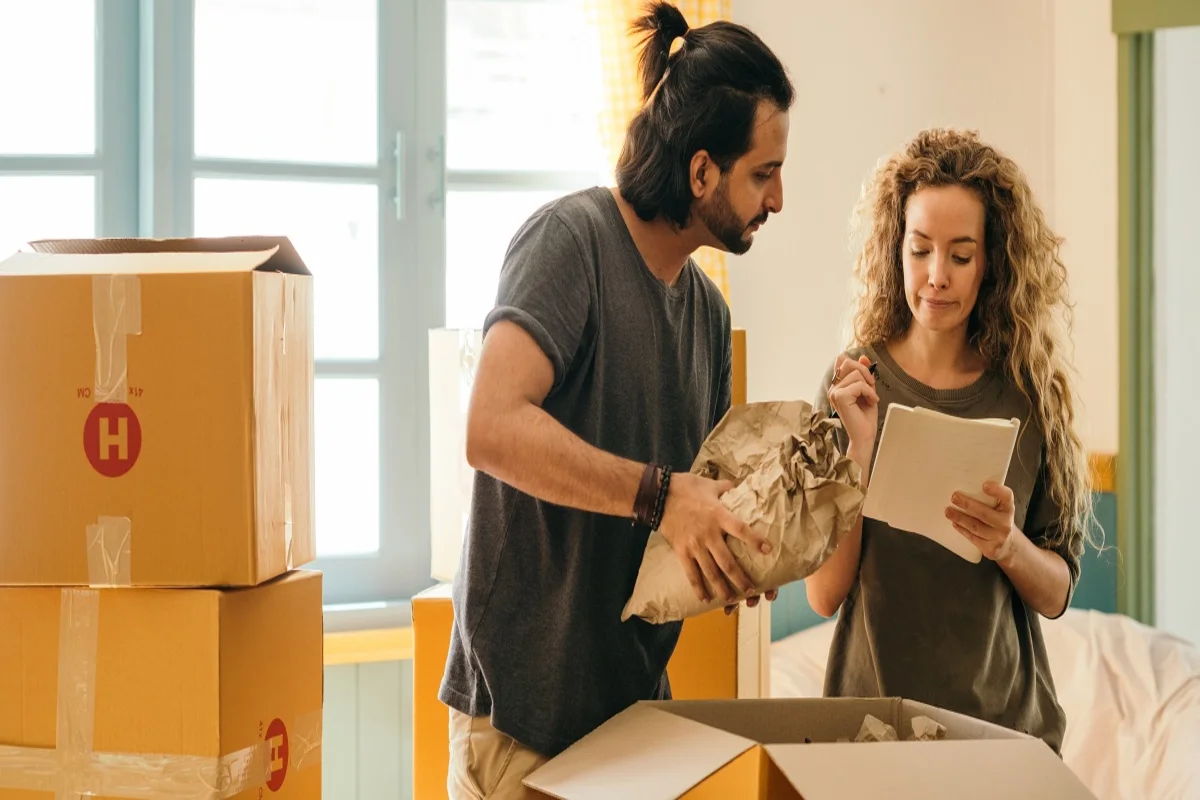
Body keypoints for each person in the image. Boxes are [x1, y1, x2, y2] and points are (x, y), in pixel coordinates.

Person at [438, 2, 795, 797]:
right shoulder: (571, 243)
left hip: (630, 722)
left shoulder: (708, 315)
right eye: (763, 174)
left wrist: (741, 543)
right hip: (521, 723)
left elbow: (687, 511)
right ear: (701, 171)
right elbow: (491, 428)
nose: (778, 200)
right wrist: (665, 497)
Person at [807, 128, 1096, 754]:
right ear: (896, 250)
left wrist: (1008, 545)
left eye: (961, 256)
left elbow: (1056, 593)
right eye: (920, 251)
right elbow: (824, 595)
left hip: (1003, 736)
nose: (936, 277)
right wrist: (858, 455)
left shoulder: (1027, 395)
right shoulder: (852, 385)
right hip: (873, 732)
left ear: (992, 261)